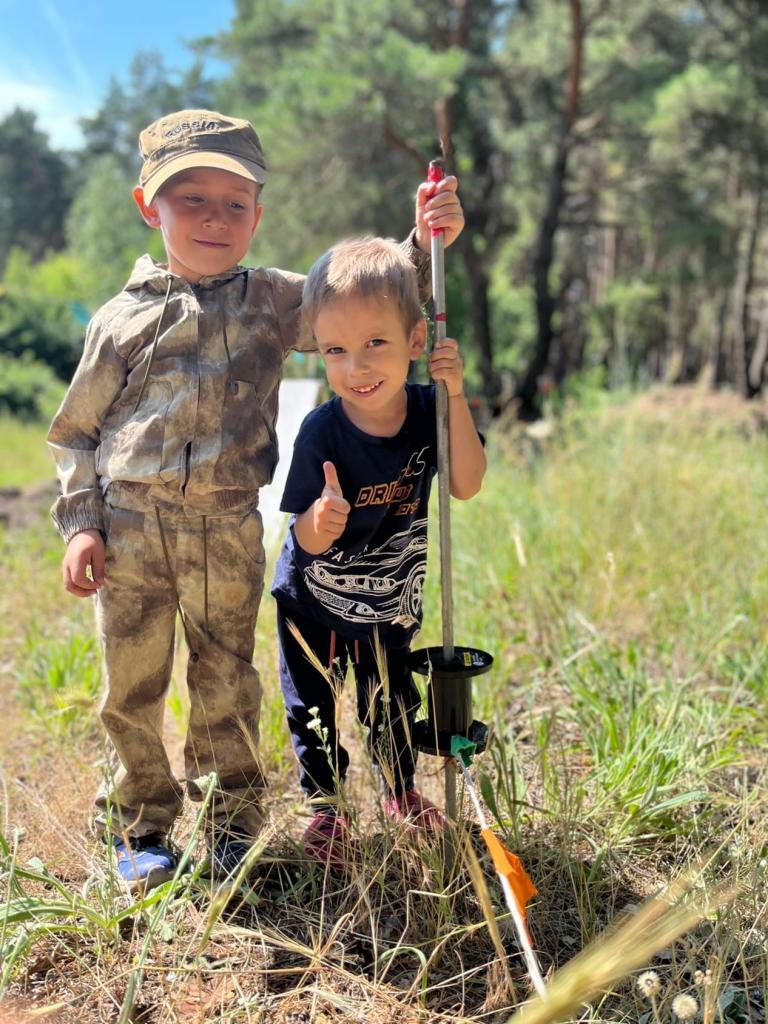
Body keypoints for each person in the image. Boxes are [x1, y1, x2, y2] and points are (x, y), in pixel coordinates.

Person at [47, 109, 465, 891]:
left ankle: (230, 827)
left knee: (227, 681)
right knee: (132, 684)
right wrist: (81, 524)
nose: (215, 219)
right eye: (192, 200)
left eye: (234, 204)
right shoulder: (119, 319)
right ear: (149, 206)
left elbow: (362, 304)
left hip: (229, 526)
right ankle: (139, 829)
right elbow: (76, 432)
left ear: (257, 216)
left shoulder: (273, 300)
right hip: (133, 530)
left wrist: (420, 242)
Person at [271, 236, 486, 866]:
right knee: (312, 708)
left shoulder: (429, 412)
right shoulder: (321, 430)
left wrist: (454, 395)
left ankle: (400, 792)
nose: (356, 368)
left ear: (416, 341)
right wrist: (322, 520)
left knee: (390, 701)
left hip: (390, 601)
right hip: (312, 602)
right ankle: (327, 810)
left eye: (375, 344)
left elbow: (467, 483)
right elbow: (303, 539)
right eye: (336, 350)